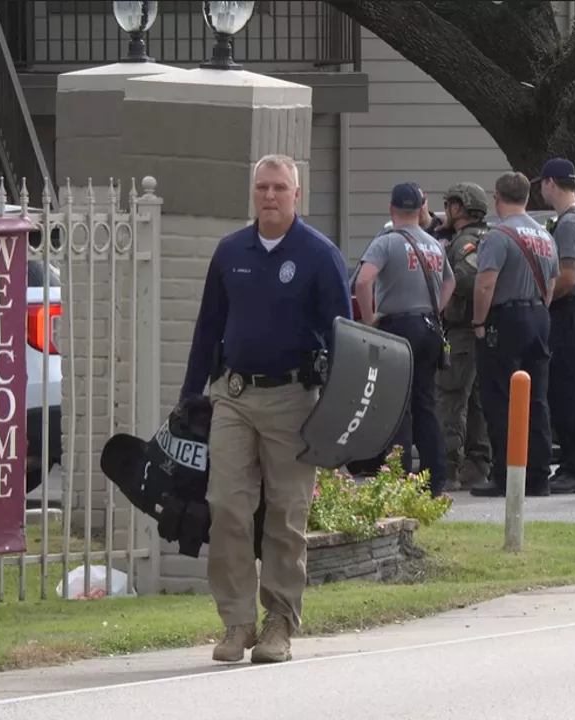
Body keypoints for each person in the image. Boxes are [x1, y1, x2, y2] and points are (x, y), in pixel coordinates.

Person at [180, 153, 352, 664]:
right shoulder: (230, 251)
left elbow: (346, 334)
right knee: (226, 506)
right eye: (262, 187)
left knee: (286, 514)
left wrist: (338, 410)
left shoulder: (319, 255)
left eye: (279, 187)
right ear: (253, 193)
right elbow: (208, 327)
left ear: (297, 195)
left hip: (294, 400)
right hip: (232, 396)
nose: (270, 196)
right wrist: (190, 396)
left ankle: (279, 622)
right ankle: (237, 623)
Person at [354, 182, 455, 497]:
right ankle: (435, 477)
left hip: (398, 329)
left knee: (397, 405)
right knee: (425, 403)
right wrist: (433, 308)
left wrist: (370, 317)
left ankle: (399, 475)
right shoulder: (433, 244)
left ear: (391, 209)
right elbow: (450, 282)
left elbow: (364, 280)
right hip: (429, 328)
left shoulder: (387, 242)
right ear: (421, 209)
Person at [468, 171, 559, 498]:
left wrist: (479, 322)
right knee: (537, 399)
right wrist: (539, 309)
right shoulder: (545, 237)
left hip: (505, 320)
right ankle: (538, 476)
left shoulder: (498, 236)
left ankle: (505, 476)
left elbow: (485, 282)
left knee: (500, 398)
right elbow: (550, 284)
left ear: (497, 198)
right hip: (538, 315)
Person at [535, 159, 575, 495]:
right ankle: (573, 467)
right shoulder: (574, 219)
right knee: (563, 392)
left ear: (550, 183)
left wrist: (541, 298)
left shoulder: (571, 224)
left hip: (569, 314)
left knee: (569, 393)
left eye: (541, 184)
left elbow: (569, 276)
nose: (540, 190)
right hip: (572, 314)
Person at [435, 182, 493, 492]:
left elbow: (467, 279)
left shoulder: (467, 242)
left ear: (460, 208)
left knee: (451, 398)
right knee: (476, 403)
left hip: (464, 332)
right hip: (482, 331)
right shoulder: (490, 236)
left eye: (449, 204)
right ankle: (478, 466)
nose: (446, 210)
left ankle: (449, 469)